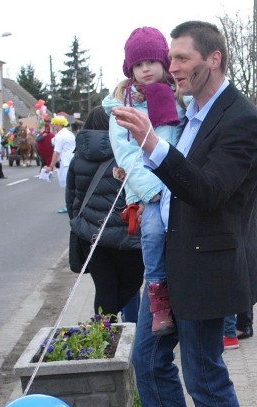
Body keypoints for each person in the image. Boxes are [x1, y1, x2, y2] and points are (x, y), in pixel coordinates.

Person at [112, 20, 257, 407]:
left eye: (181, 58)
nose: (171, 67)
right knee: (149, 361)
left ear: (213, 58)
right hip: (171, 264)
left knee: (203, 374)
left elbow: (209, 190)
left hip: (208, 267)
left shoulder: (240, 118)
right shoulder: (189, 112)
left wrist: (151, 147)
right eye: (170, 58)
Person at [104, 26, 186, 336]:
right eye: (138, 65)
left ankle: (247, 270)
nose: (145, 69)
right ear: (130, 70)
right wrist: (153, 192)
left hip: (179, 183)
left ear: (164, 62)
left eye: (151, 61)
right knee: (152, 233)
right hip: (148, 189)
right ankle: (158, 299)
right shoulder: (121, 109)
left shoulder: (178, 100)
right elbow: (126, 157)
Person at [66, 106, 144, 322]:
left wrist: (79, 226)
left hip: (90, 235)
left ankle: (102, 330)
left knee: (104, 287)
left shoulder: (77, 158)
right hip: (125, 234)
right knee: (132, 282)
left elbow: (72, 199)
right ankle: (104, 326)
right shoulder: (126, 153)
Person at [44, 115, 76, 213]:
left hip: (65, 162)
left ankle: (69, 205)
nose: (53, 126)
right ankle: (73, 204)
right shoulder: (69, 133)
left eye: (54, 124)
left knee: (68, 185)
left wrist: (51, 166)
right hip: (72, 160)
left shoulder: (60, 136)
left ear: (59, 124)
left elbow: (56, 152)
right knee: (72, 185)